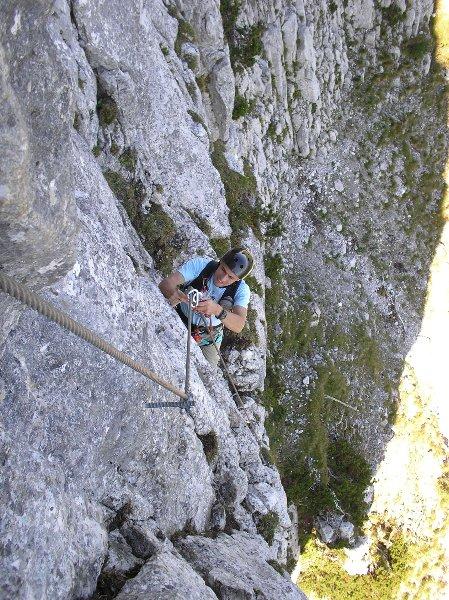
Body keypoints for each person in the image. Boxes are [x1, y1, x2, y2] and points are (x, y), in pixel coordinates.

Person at [158, 247, 253, 366]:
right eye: (223, 269)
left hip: (209, 337)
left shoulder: (241, 290)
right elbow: (166, 284)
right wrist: (179, 296)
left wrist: (217, 310)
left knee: (209, 373)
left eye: (230, 277)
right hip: (180, 320)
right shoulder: (200, 266)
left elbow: (239, 325)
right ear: (220, 262)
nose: (222, 278)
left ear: (238, 280)